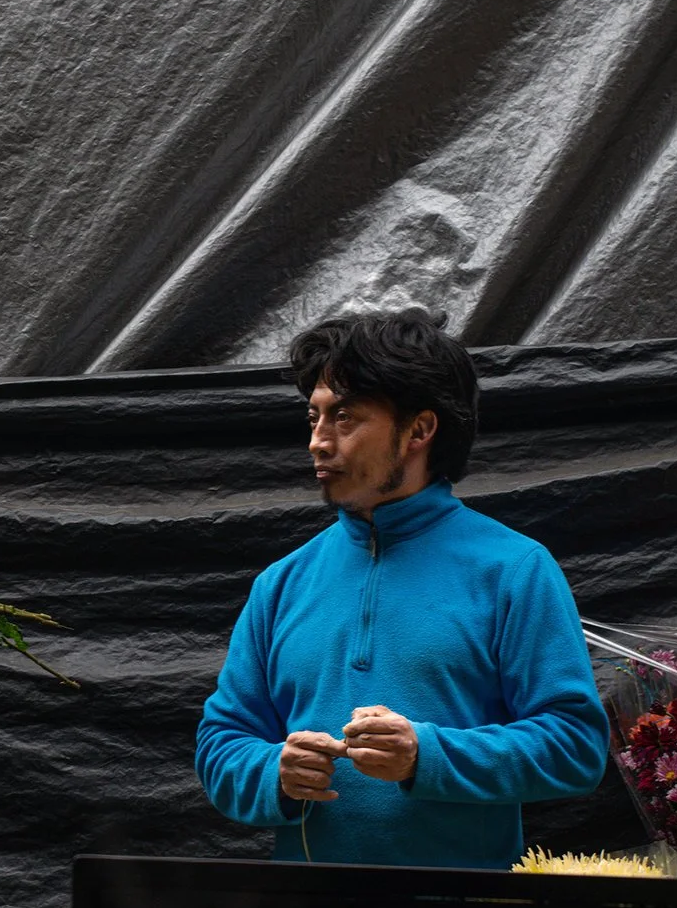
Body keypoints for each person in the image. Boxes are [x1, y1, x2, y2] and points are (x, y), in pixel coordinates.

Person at [194, 308, 607, 868]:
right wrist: (274, 773)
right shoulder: (281, 584)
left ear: (419, 429)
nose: (318, 442)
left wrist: (426, 756)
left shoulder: (515, 570)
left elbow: (574, 745)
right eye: (313, 417)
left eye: (344, 417)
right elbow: (221, 743)